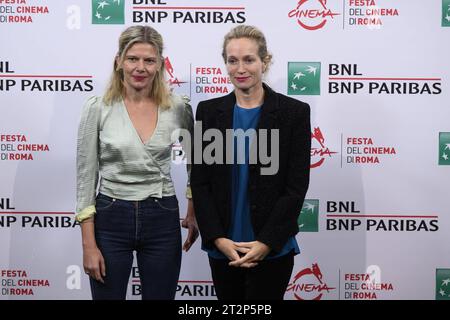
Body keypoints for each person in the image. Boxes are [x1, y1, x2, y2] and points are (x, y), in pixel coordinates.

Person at [75, 25, 198, 300]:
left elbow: (197, 162)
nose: (140, 67)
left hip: (162, 216)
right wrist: (88, 245)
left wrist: (192, 207)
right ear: (118, 61)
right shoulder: (98, 107)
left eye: (148, 60)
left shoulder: (178, 107)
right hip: (110, 216)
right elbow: (85, 178)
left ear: (160, 65)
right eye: (132, 59)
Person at [190, 25, 311, 300]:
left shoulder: (294, 113)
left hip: (272, 248)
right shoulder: (209, 112)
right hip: (224, 248)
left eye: (249, 59)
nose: (240, 68)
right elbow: (200, 182)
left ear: (264, 62)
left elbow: (296, 186)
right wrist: (218, 238)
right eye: (232, 60)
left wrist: (267, 242)